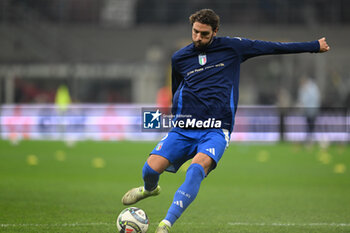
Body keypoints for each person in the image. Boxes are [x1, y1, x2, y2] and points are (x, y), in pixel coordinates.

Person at [121, 9, 330, 233]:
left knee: (195, 170)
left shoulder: (232, 48)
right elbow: (177, 90)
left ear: (215, 32)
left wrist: (313, 46)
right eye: (195, 32)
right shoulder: (179, 58)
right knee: (150, 169)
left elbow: (272, 46)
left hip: (216, 130)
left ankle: (166, 224)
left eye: (204, 34)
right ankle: (149, 189)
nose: (198, 38)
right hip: (184, 128)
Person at [297, 75, 321, 142]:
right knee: (308, 124)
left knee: (311, 124)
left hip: (312, 110)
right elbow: (301, 100)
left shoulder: (312, 87)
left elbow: (315, 98)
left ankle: (311, 138)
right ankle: (309, 138)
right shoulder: (302, 89)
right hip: (306, 110)